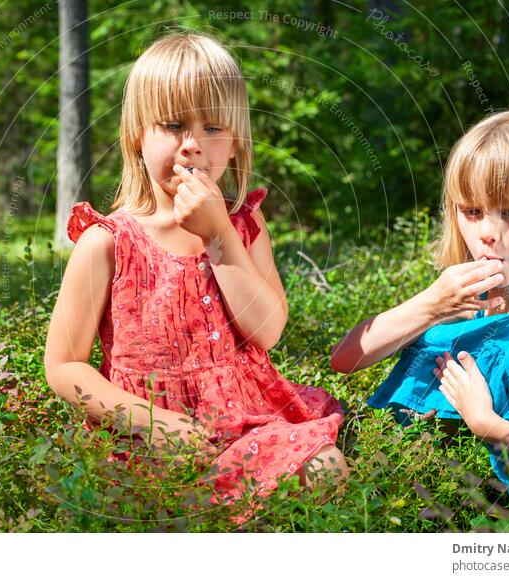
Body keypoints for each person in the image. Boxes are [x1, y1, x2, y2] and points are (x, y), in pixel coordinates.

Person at [44, 33, 347, 506]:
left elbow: (266, 331)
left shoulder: (243, 224)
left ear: (234, 143)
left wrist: (218, 235)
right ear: (136, 136)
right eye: (172, 125)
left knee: (326, 468)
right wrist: (147, 420)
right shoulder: (108, 242)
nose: (192, 145)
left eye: (212, 128)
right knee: (165, 506)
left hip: (244, 418)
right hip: (143, 432)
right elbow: (63, 365)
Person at [330, 109, 509, 518]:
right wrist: (430, 304)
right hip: (477, 505)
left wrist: (490, 425)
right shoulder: (473, 295)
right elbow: (347, 360)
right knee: (433, 341)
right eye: (472, 211)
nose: (486, 233)